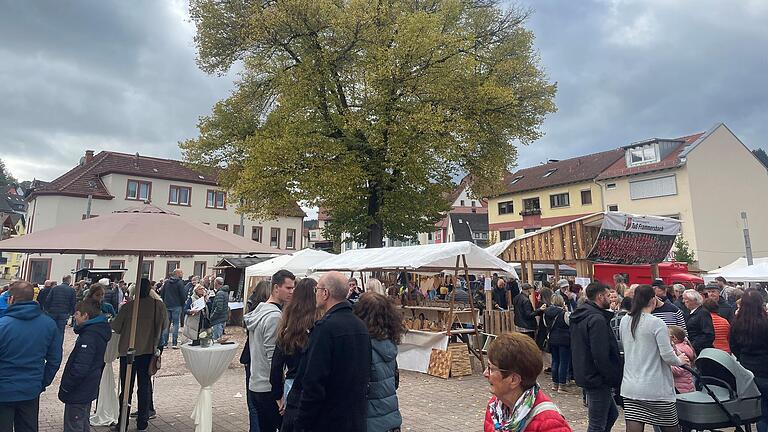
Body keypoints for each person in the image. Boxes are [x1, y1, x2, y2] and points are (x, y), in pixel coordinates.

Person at [292, 271, 371, 432]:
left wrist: (301, 423)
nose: (316, 294)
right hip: (354, 418)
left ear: (325, 293)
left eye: (317, 289)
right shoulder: (360, 326)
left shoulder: (325, 329)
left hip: (328, 419)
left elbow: (313, 382)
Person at [620, 284, 686, 432]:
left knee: (634, 423)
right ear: (653, 300)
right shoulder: (656, 323)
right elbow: (667, 356)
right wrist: (680, 360)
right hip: (656, 387)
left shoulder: (625, 320)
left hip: (630, 386)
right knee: (670, 426)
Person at [0, 281, 62, 432]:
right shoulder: (48, 324)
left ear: (11, 299)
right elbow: (55, 360)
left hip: (4, 391)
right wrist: (42, 383)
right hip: (31, 388)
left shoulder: (3, 325)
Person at [483, 332, 571, 432]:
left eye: (491, 368)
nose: (485, 373)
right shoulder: (495, 408)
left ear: (514, 380)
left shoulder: (549, 423)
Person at [111, 278, 167, 432]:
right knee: (144, 386)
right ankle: (143, 422)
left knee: (126, 388)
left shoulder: (128, 307)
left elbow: (116, 326)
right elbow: (164, 326)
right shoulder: (158, 306)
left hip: (128, 352)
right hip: (147, 350)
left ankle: (123, 422)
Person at [245, 270, 295, 432]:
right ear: (275, 288)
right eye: (288, 288)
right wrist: (278, 393)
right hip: (267, 388)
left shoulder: (259, 312)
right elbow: (272, 359)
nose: (291, 292)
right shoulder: (274, 317)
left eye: (293, 288)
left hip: (256, 384)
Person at [570, 282, 622, 432]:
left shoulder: (582, 315)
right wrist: (610, 375)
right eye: (607, 296)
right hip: (596, 377)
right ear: (599, 297)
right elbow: (600, 353)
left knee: (611, 414)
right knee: (597, 424)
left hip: (588, 372)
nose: (610, 299)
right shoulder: (596, 319)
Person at [354, 292, 406, 432]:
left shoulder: (363, 345)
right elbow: (395, 382)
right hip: (391, 416)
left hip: (371, 420)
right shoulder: (389, 342)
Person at [271, 278, 317, 432]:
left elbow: (276, 364)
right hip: (315, 386)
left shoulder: (289, 326)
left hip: (292, 383)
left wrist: (278, 395)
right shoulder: (322, 325)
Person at [58, 298, 112, 432]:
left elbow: (81, 366)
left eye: (76, 314)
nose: (74, 317)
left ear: (85, 315)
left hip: (79, 389)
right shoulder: (95, 332)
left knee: (75, 425)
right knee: (82, 422)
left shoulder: (89, 336)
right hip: (88, 386)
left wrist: (67, 385)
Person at [730, 290, 768, 431]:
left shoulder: (736, 324)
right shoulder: (765, 322)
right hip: (765, 368)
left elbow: (733, 346)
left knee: (760, 410)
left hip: (747, 370)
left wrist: (743, 358)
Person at [241, 280, 271, 432]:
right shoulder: (271, 315)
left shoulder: (252, 313)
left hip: (251, 358)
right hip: (261, 361)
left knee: (253, 404)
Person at [546, 294, 572, 393]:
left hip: (552, 338)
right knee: (563, 362)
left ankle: (554, 383)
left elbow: (545, 324)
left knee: (555, 361)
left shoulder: (546, 312)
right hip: (564, 339)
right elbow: (569, 323)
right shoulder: (564, 313)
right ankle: (562, 385)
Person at [42, 274, 77, 342]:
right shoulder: (71, 290)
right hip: (64, 313)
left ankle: (49, 343)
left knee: (51, 329)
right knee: (60, 331)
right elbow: (73, 302)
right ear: (69, 280)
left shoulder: (55, 288)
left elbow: (48, 300)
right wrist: (71, 312)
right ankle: (58, 346)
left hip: (52, 311)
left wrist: (47, 310)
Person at [160, 268, 186, 349]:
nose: (182, 273)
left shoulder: (167, 282)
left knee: (166, 325)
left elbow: (162, 293)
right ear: (177, 274)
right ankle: (174, 343)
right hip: (177, 305)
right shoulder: (180, 283)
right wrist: (182, 303)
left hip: (167, 305)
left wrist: (165, 302)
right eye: (181, 272)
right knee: (175, 324)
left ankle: (164, 343)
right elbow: (182, 295)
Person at [682, 289, 714, 354]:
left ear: (694, 300)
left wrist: (694, 345)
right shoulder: (689, 312)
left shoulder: (703, 313)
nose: (684, 301)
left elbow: (708, 334)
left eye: (686, 299)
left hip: (700, 350)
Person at [669, 325, 695, 394]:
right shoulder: (686, 347)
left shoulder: (678, 351)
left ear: (674, 338)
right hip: (686, 385)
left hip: (681, 388)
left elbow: (679, 370)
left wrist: (665, 366)